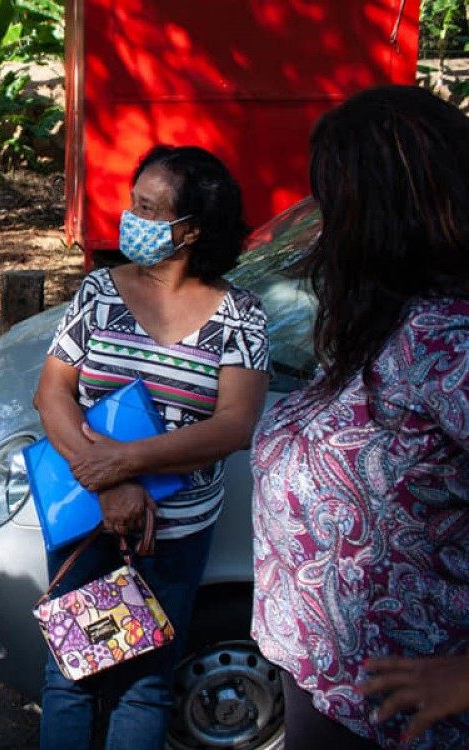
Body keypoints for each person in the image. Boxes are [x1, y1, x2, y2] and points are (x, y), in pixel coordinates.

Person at [251, 85, 469, 750]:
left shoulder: (451, 342)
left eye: (332, 196)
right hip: (327, 691)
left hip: (405, 722)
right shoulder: (389, 318)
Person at [33, 145, 271, 749]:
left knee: (144, 685)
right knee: (71, 676)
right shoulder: (97, 293)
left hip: (173, 537)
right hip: (87, 521)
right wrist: (109, 482)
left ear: (190, 229)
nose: (128, 215)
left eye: (147, 207)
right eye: (132, 201)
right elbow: (53, 393)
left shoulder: (240, 316)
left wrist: (127, 462)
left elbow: (234, 426)